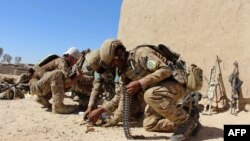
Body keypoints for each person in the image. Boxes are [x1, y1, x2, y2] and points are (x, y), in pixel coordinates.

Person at [97, 39, 198, 141]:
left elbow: (166, 70)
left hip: (176, 85)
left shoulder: (141, 54)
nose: (115, 65)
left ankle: (185, 121)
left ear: (119, 53)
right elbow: (123, 97)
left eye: (114, 61)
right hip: (160, 92)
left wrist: (140, 83)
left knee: (150, 95)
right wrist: (112, 120)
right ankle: (191, 119)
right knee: (149, 124)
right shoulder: (124, 71)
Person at [83, 50, 145, 127]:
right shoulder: (99, 70)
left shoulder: (120, 67)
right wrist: (90, 106)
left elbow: (122, 94)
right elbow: (96, 88)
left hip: (131, 96)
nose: (99, 72)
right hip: (116, 95)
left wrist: (112, 118)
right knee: (106, 112)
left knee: (121, 115)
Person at [29, 47, 83, 114]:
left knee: (64, 80)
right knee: (57, 74)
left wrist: (74, 77)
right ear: (70, 57)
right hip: (35, 86)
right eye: (76, 60)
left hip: (37, 86)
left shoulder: (61, 62)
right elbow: (66, 84)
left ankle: (43, 98)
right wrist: (76, 77)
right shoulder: (62, 62)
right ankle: (58, 107)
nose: (76, 62)